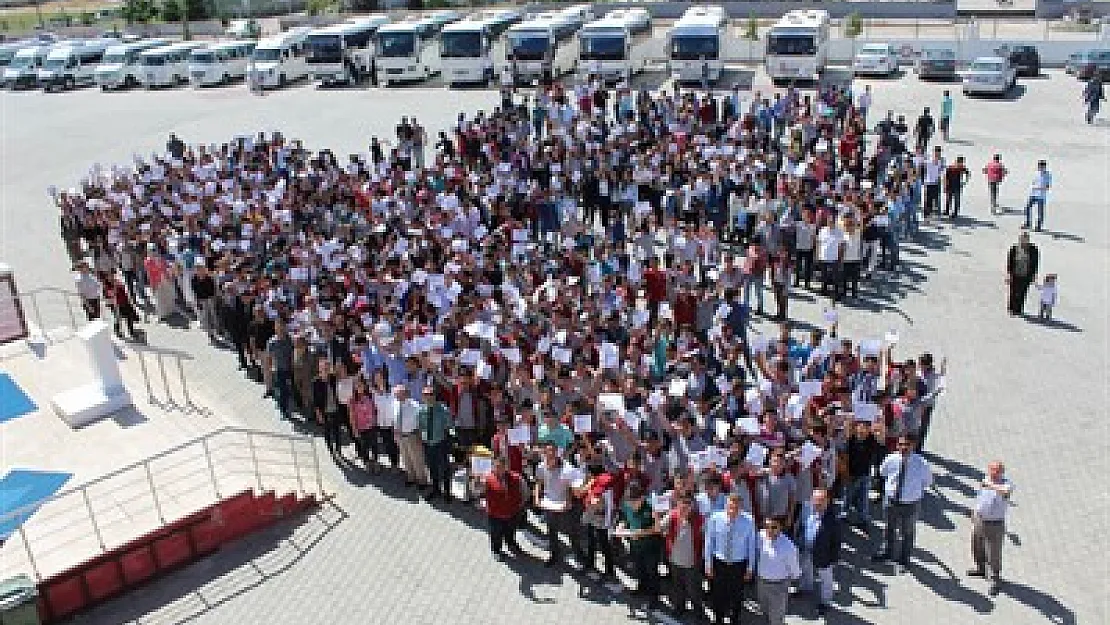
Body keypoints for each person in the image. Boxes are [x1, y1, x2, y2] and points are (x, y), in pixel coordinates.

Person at [874, 434, 933, 570]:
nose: (903, 447)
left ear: (913, 445)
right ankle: (887, 553)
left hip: (910, 504)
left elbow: (928, 482)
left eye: (907, 444)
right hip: (891, 501)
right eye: (900, 444)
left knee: (907, 532)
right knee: (889, 528)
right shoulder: (891, 459)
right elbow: (883, 472)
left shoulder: (921, 463)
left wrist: (912, 491)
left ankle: (903, 559)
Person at [704, 493, 757, 625]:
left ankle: (735, 619)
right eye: (730, 507)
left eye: (736, 508)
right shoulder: (715, 518)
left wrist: (750, 568)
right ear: (726, 505)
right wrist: (708, 564)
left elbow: (751, 545)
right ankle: (718, 618)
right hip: (719, 562)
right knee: (718, 593)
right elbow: (709, 542)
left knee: (737, 594)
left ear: (741, 507)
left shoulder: (749, 521)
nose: (732, 511)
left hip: (738, 564)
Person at [968, 461, 1013, 596]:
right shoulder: (986, 480)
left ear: (1002, 472)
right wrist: (974, 512)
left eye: (996, 471)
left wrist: (991, 485)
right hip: (980, 520)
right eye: (991, 470)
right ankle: (981, 568)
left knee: (993, 553)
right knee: (977, 546)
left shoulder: (1006, 484)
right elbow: (981, 498)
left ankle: (995, 580)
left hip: (995, 524)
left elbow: (1005, 492)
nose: (993, 473)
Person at [795, 488, 841, 617]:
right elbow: (802, 528)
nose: (817, 504)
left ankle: (825, 602)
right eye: (815, 500)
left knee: (826, 580)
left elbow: (836, 542)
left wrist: (833, 559)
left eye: (821, 501)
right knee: (806, 571)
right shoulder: (809, 513)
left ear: (827, 501)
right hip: (807, 550)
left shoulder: (833, 520)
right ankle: (805, 589)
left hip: (823, 555)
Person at [660, 492, 705, 619]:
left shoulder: (700, 519)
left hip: (692, 562)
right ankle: (680, 607)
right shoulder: (672, 515)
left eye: (688, 503)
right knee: (678, 587)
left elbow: (706, 537)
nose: (685, 505)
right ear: (678, 503)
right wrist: (657, 516)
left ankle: (698, 611)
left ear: (692, 505)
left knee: (694, 589)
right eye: (682, 502)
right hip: (675, 560)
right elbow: (660, 529)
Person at [618, 482, 662, 604]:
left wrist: (641, 532)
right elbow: (624, 518)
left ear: (642, 498)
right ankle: (641, 588)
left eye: (634, 503)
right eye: (629, 503)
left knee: (652, 572)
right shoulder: (627, 504)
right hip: (635, 545)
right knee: (639, 568)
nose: (631, 506)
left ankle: (654, 597)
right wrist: (621, 527)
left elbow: (658, 529)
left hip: (650, 546)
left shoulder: (650, 506)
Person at [535, 442, 575, 568]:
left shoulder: (566, 467)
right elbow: (539, 483)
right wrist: (536, 498)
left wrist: (568, 501)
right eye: (547, 451)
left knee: (570, 531)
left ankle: (576, 555)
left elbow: (570, 486)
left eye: (552, 451)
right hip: (549, 503)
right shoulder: (541, 466)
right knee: (552, 531)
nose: (550, 454)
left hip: (563, 503)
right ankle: (554, 555)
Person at [756, 516, 801, 625]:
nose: (769, 530)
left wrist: (787, 584)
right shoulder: (760, 536)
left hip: (779, 586)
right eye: (766, 526)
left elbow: (795, 570)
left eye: (774, 527)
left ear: (781, 527)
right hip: (761, 583)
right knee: (764, 611)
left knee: (776, 617)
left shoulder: (789, 547)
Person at [418, 384, 454, 502]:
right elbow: (421, 426)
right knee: (432, 467)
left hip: (440, 443)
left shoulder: (443, 410)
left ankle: (447, 492)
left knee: (444, 469)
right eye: (425, 395)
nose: (428, 397)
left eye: (430, 395)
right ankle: (435, 489)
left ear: (435, 396)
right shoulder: (422, 410)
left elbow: (449, 426)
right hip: (428, 444)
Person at [484, 456, 525, 559]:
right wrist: (475, 480)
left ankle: (511, 544)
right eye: (497, 466)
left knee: (510, 531)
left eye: (502, 466)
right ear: (493, 467)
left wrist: (520, 505)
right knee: (496, 534)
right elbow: (476, 491)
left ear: (507, 467)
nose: (499, 469)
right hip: (495, 514)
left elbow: (525, 492)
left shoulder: (516, 477)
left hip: (513, 512)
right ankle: (496, 550)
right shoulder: (488, 479)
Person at [1005, 231, 1039, 317]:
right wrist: (1009, 274)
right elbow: (1010, 262)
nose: (1024, 241)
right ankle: (1011, 308)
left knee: (1022, 292)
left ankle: (1019, 309)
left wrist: (1034, 275)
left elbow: (1035, 263)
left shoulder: (1034, 250)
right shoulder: (1014, 249)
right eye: (1022, 239)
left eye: (1025, 239)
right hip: (1015, 273)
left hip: (1026, 274)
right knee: (1013, 291)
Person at [267, 320, 294, 420]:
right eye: (278, 327)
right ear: (275, 328)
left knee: (289, 389)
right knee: (282, 390)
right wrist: (270, 368)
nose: (281, 329)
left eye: (282, 327)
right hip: (279, 369)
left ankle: (290, 406)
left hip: (290, 368)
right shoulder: (272, 342)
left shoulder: (289, 339)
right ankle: (284, 410)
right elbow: (269, 356)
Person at [1022, 160, 1052, 232]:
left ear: (1044, 167)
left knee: (1040, 211)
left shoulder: (1048, 175)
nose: (1040, 168)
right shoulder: (1036, 174)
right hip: (1033, 194)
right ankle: (1027, 223)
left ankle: (1038, 226)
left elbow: (1047, 186)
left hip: (1041, 196)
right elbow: (1033, 183)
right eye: (1039, 166)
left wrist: (1040, 188)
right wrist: (1033, 188)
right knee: (1027, 208)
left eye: (1042, 166)